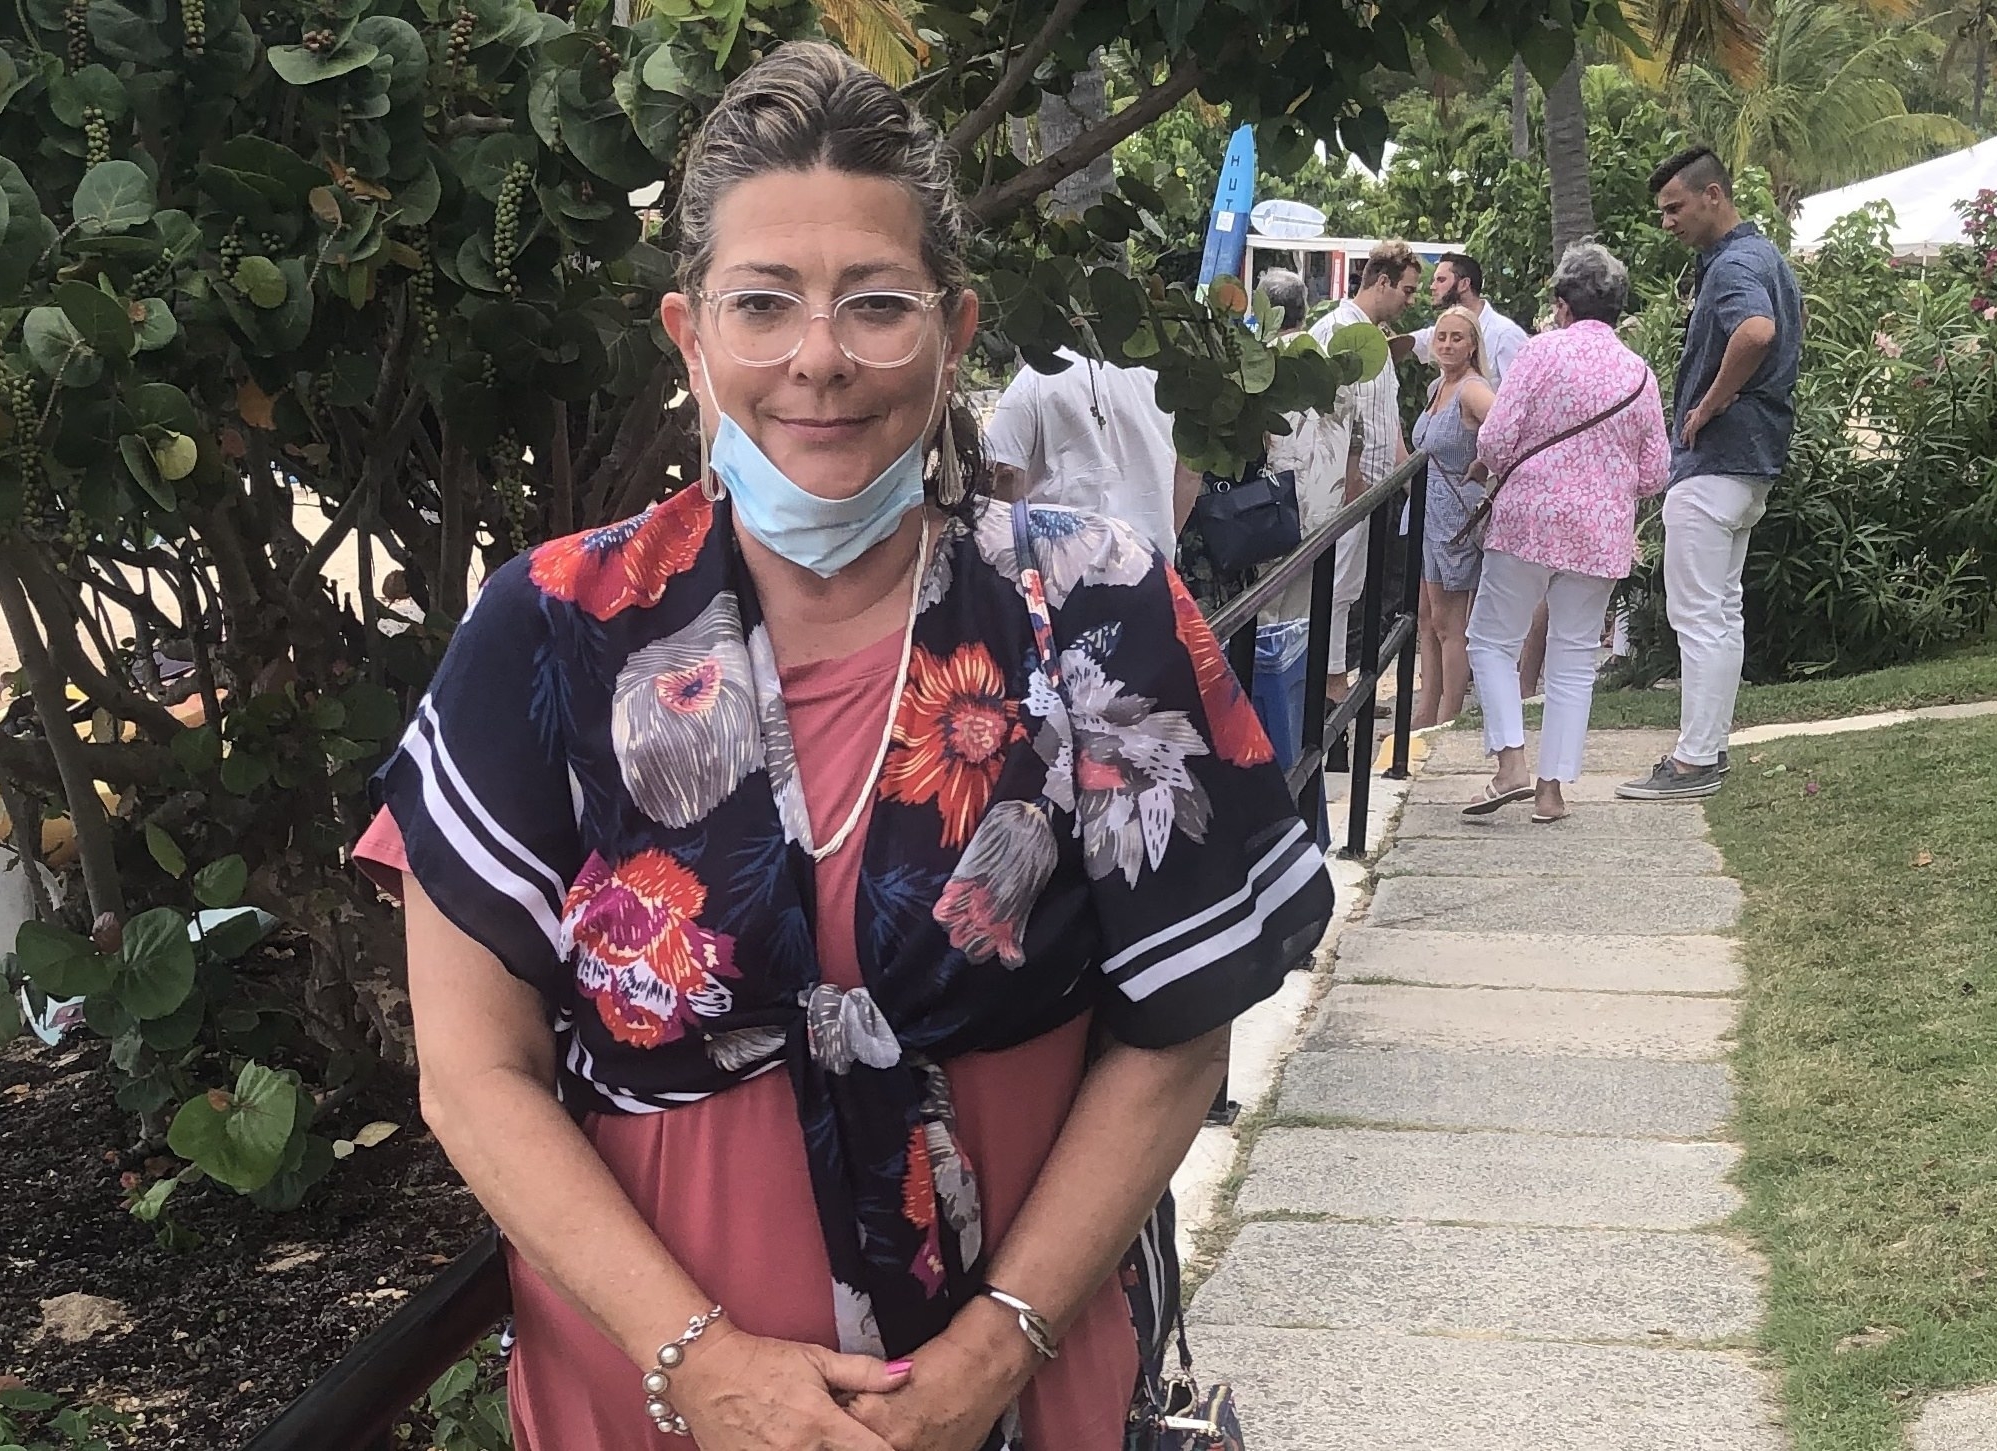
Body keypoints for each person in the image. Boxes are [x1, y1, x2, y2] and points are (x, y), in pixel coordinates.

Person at [354, 44, 1334, 1451]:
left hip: (1015, 1386)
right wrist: (695, 1359)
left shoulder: (1089, 606)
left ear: (952, 328)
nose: (818, 357)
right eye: (764, 304)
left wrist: (990, 1354)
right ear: (689, 337)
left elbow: (1175, 1026)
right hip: (645, 1399)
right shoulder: (559, 630)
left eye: (875, 304)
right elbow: (471, 1069)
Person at [1618, 145, 1803, 802]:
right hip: (1749, 463)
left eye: (1674, 207)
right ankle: (1708, 748)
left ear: (1712, 196)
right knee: (1718, 612)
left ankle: (1694, 761)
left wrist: (1712, 399)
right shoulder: (1762, 256)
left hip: (1716, 460)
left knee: (1697, 615)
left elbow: (1754, 331)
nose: (1666, 220)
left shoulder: (1732, 267)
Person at [1464, 243, 1670, 824]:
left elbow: (1496, 441)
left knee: (1492, 640)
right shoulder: (1639, 375)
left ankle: (1509, 762)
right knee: (1576, 659)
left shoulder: (1539, 354)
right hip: (1599, 535)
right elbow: (1654, 473)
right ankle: (1552, 792)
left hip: (1527, 522)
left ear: (1560, 305)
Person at [1244, 268, 1352, 779]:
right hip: (1326, 522)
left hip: (1271, 522)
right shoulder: (1333, 369)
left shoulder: (1261, 369)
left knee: (1265, 632)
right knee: (1308, 631)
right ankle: (1316, 742)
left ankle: (1268, 749)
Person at [1307, 241, 1420, 722]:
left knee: (1350, 587)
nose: (1411, 300)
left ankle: (1337, 681)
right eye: (1408, 290)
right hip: (1344, 489)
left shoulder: (1375, 336)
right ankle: (1328, 687)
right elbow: (1331, 413)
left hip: (1374, 487)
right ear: (1382, 282)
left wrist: (1411, 478)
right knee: (1334, 585)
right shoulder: (1335, 332)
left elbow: (1386, 421)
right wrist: (1350, 476)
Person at [985, 349, 1197, 558]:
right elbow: (1190, 471)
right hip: (1149, 565)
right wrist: (1164, 540)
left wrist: (1016, 553)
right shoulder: (1162, 378)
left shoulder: (1036, 379)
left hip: (1062, 567)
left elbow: (1007, 473)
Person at [1409, 305, 1495, 729]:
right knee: (1426, 619)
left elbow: (1502, 427)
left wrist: (1483, 464)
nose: (1446, 344)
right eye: (1441, 336)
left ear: (1472, 344)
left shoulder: (1472, 390)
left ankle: (1448, 717)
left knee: (1449, 623)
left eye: (1456, 337)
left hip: (1454, 519)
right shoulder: (1437, 386)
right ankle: (1427, 711)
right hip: (1427, 514)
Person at [1402, 253, 1529, 382]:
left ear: (1464, 284)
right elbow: (1407, 342)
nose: (1432, 287)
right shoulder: (1442, 331)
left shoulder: (1506, 334)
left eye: (1441, 280)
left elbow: (1519, 392)